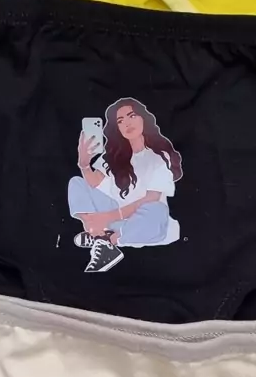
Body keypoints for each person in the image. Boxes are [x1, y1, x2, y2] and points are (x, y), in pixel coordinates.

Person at [67, 97, 183, 273]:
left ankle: (109, 241)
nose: (127, 123)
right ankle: (97, 233)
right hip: (114, 219)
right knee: (77, 182)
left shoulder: (159, 156)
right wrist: (84, 164)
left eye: (132, 116)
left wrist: (108, 217)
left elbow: (151, 198)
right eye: (120, 121)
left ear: (144, 118)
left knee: (156, 209)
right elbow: (94, 182)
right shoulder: (113, 155)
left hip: (143, 221)